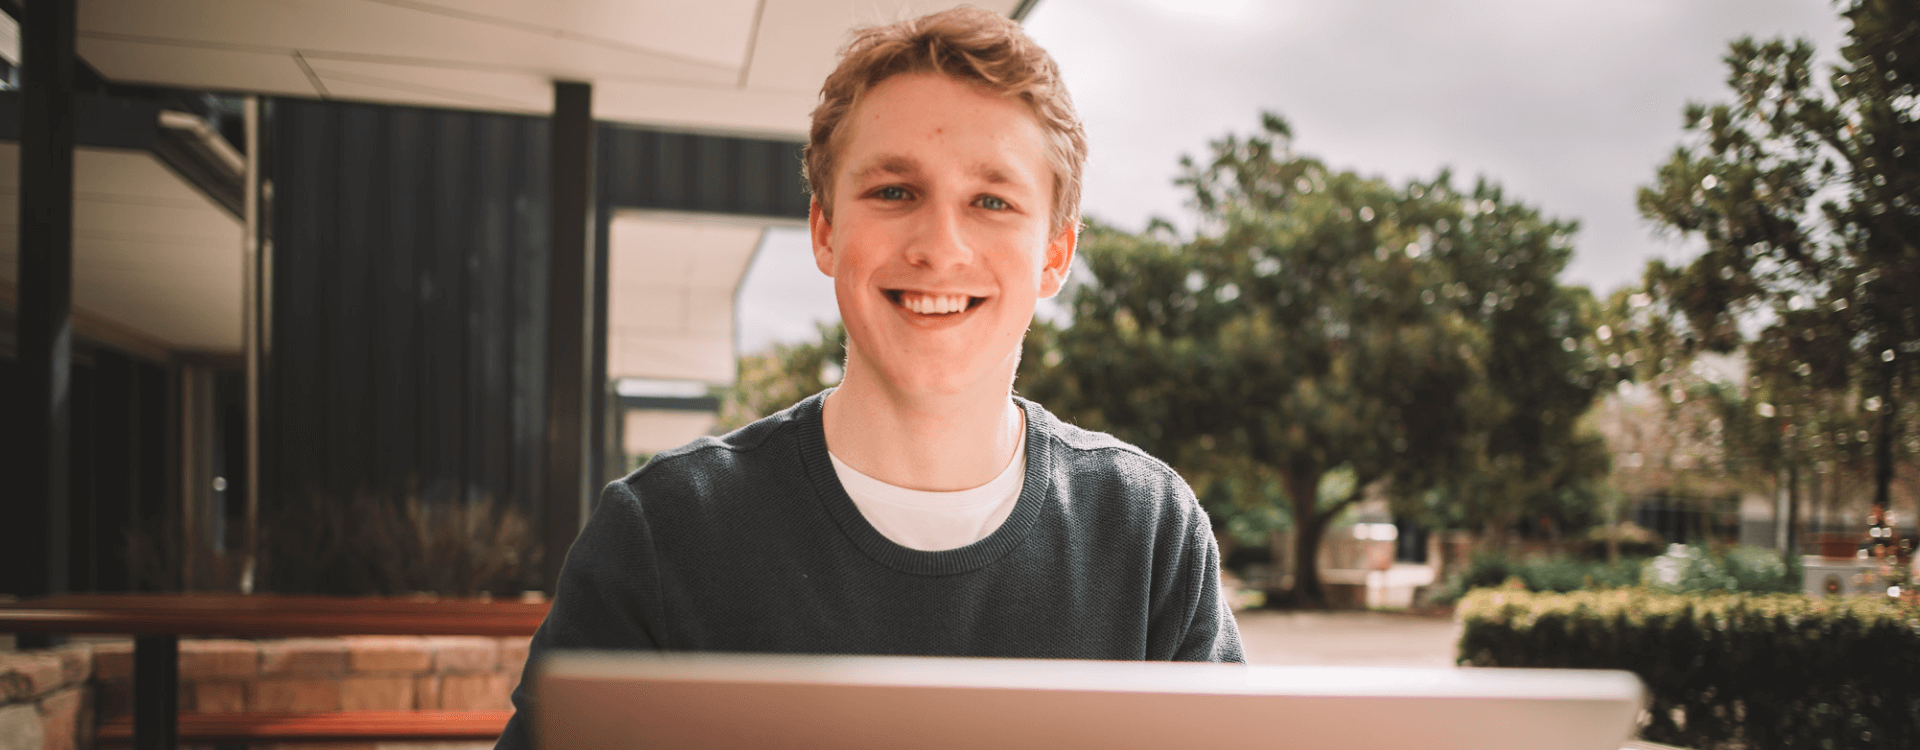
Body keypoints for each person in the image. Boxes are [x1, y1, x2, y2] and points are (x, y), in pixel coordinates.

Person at [494, 7, 1242, 747]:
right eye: (894, 192)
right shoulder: (663, 531)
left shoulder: (1146, 530)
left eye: (992, 201)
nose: (940, 247)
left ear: (1054, 255)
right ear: (825, 230)